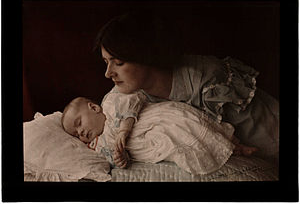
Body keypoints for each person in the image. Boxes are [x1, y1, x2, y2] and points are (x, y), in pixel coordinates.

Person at [94, 11, 279, 165]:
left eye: (118, 62)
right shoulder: (132, 92)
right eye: (105, 62)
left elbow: (268, 137)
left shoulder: (211, 82)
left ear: (145, 56)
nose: (108, 73)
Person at [61, 92, 257, 175]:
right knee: (182, 146)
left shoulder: (111, 104)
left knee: (188, 125)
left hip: (157, 119)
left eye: (79, 123)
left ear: (94, 108)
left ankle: (235, 144)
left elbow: (133, 98)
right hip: (154, 141)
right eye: (76, 134)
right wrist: (121, 158)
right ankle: (232, 149)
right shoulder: (101, 144)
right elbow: (114, 161)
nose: (81, 132)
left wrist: (124, 129)